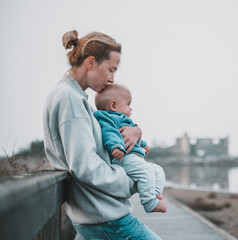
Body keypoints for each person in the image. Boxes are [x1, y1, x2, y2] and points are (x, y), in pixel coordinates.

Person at [43, 30, 162, 240]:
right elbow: (85, 166)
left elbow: (107, 130)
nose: (112, 79)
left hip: (99, 214)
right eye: (110, 69)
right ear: (90, 62)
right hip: (105, 220)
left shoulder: (76, 97)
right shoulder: (69, 99)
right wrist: (133, 182)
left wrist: (136, 131)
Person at [94, 84, 166, 213]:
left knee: (157, 170)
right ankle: (149, 203)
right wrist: (116, 147)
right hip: (124, 158)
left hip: (133, 158)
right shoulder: (107, 118)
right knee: (146, 172)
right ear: (113, 105)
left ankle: (154, 194)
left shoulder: (125, 120)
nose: (131, 108)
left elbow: (132, 136)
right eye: (128, 104)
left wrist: (143, 144)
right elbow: (110, 133)